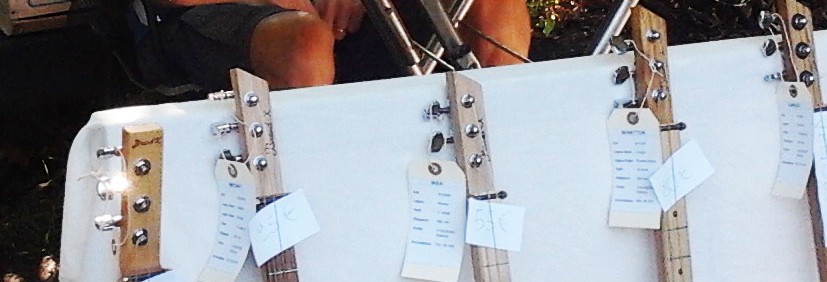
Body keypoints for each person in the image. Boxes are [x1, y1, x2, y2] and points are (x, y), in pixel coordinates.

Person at [135, 0, 531, 92]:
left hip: (364, 15)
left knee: (495, 4)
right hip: (213, 14)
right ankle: (309, 214)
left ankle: (508, 167)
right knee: (304, 43)